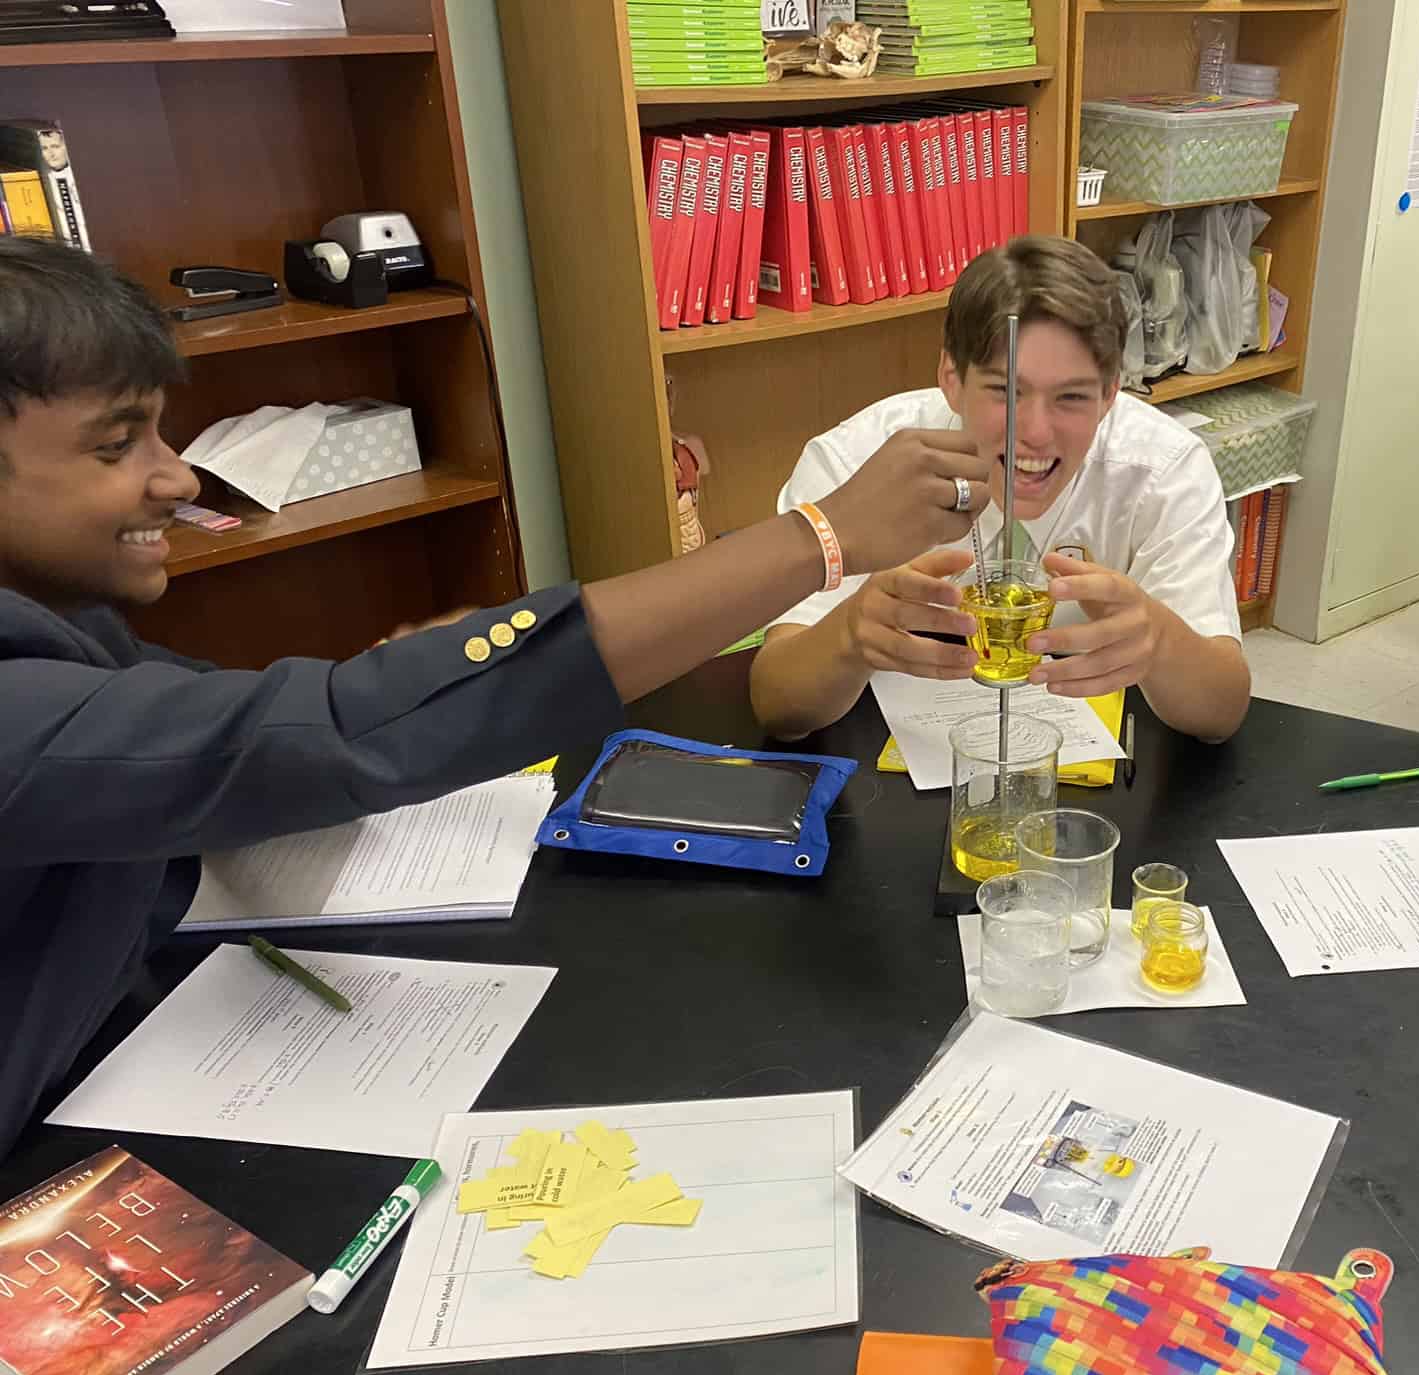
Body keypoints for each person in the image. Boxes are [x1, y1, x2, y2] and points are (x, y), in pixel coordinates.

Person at [0, 235, 993, 1157]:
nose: (175, 478)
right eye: (112, 447)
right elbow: (318, 738)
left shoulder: (61, 620)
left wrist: (419, 683)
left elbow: (211, 721)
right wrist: (817, 542)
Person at [747, 235, 1250, 743]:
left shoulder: (1164, 470)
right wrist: (850, 634)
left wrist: (1159, 639)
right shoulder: (853, 463)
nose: (1033, 430)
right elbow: (779, 705)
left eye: (1072, 396)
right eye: (1004, 391)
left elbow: (1219, 714)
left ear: (1110, 393)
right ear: (950, 376)